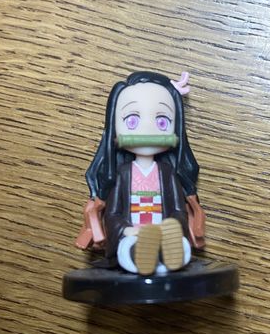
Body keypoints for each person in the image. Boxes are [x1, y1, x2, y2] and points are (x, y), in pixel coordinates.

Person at [75, 71, 205, 275]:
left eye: (162, 122)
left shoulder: (167, 173)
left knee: (179, 245)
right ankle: (144, 253)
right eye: (132, 121)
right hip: (133, 231)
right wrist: (128, 229)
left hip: (163, 229)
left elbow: (178, 209)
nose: (147, 131)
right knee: (130, 248)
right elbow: (113, 213)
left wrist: (170, 225)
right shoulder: (122, 174)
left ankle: (168, 253)